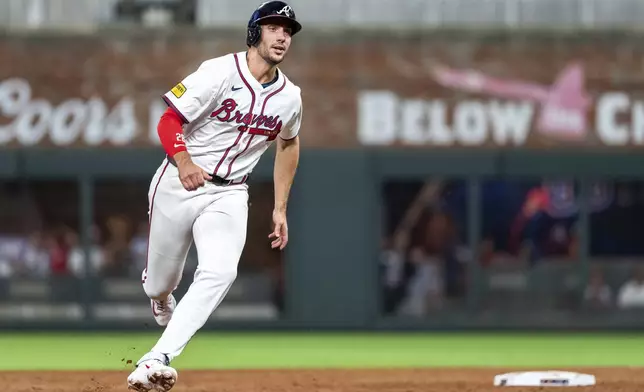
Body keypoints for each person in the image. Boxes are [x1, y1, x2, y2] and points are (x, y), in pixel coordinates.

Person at [127, 2, 302, 390]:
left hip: (230, 192)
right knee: (160, 284)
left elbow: (289, 144)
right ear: (255, 31)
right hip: (178, 181)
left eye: (288, 31)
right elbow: (168, 119)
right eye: (274, 27)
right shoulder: (219, 72)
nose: (282, 36)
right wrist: (185, 160)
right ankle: (159, 296)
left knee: (221, 271)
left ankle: (156, 358)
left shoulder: (290, 96)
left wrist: (280, 207)